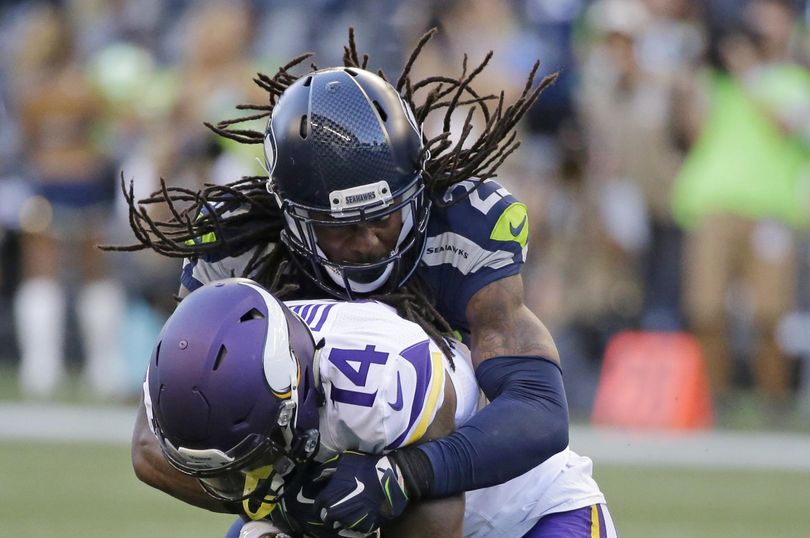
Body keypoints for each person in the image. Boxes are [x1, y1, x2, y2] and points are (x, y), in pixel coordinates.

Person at [118, 29, 569, 533]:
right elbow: (152, 442)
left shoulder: (464, 225)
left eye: (385, 216)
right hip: (325, 483)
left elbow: (539, 407)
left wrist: (406, 475)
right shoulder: (242, 254)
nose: (370, 241)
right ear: (292, 220)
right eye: (341, 227)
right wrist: (291, 500)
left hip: (507, 502)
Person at [145, 278, 614, 537]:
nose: (241, 484)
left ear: (290, 396)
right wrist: (288, 507)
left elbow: (434, 529)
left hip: (533, 517)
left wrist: (389, 480)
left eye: (252, 457)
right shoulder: (193, 366)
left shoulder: (385, 381)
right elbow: (146, 454)